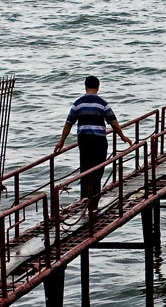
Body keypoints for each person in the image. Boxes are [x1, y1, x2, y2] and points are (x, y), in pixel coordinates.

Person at [54, 76, 132, 208]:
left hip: (84, 141)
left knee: (85, 169)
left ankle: (84, 200)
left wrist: (61, 141)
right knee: (97, 170)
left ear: (85, 87)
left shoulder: (78, 103)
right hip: (99, 141)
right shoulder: (102, 103)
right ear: (98, 87)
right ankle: (93, 203)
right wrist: (123, 136)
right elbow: (113, 123)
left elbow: (68, 124)